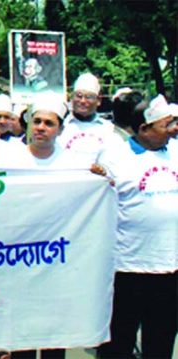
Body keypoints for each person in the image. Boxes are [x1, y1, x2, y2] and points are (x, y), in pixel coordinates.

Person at [97, 94, 177, 359]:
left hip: (170, 269)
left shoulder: (176, 151)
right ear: (144, 129)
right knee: (118, 344)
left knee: (161, 343)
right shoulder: (115, 157)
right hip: (128, 269)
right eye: (166, 125)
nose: (174, 128)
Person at [57, 73, 125, 168]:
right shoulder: (60, 128)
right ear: (71, 98)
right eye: (79, 96)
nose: (83, 101)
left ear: (98, 100)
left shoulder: (109, 130)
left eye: (89, 97)